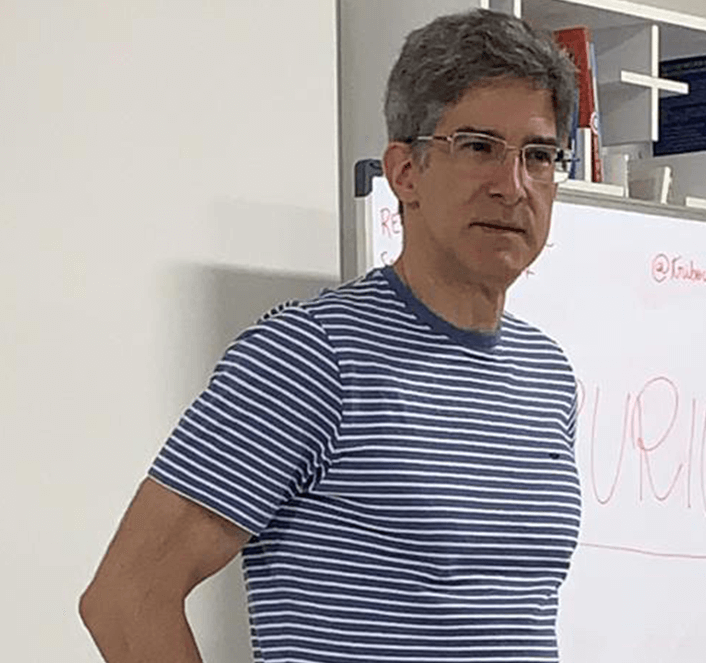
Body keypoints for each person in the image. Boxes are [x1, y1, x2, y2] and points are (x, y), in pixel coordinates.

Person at [79, 8, 581, 662]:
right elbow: (126, 594)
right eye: (478, 146)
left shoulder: (546, 376)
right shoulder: (310, 357)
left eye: (538, 155)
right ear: (405, 172)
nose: (512, 186)